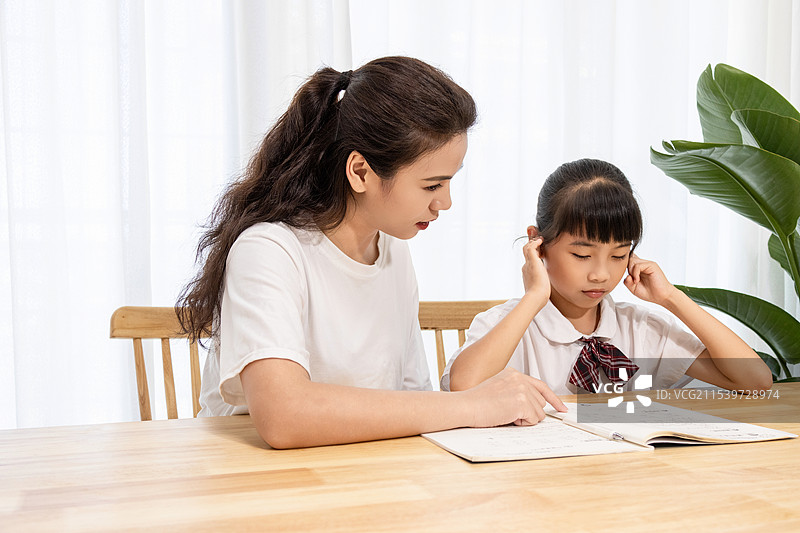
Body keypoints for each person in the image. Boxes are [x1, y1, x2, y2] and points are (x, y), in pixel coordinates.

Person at [176, 56, 566, 449]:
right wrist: (471, 406)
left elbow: (414, 396)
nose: (445, 203)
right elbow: (284, 416)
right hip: (258, 479)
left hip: (359, 468)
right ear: (360, 172)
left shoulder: (391, 248)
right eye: (432, 185)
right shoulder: (269, 250)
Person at [443, 158, 772, 396]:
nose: (601, 274)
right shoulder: (508, 326)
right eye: (582, 255)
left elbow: (756, 381)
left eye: (618, 255)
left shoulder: (641, 329)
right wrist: (533, 297)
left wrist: (671, 298)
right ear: (537, 242)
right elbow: (463, 386)